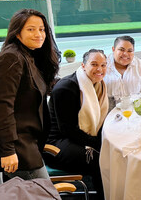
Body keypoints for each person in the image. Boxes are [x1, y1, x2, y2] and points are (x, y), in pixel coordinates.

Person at [0, 9, 60, 180]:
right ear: (17, 33)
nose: (38, 34)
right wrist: (8, 150)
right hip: (18, 148)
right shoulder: (12, 58)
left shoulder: (28, 56)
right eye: (31, 29)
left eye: (41, 29)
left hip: (28, 144)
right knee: (44, 195)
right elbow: (1, 108)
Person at [45, 49, 108, 198]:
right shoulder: (66, 88)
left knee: (108, 153)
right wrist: (98, 143)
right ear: (83, 65)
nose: (100, 69)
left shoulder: (98, 85)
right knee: (102, 160)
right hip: (56, 144)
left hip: (75, 138)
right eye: (94, 64)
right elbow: (68, 130)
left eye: (103, 65)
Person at [104, 35, 141, 110]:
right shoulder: (103, 65)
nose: (125, 54)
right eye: (121, 50)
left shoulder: (140, 65)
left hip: (134, 111)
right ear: (113, 49)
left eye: (129, 51)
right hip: (109, 114)